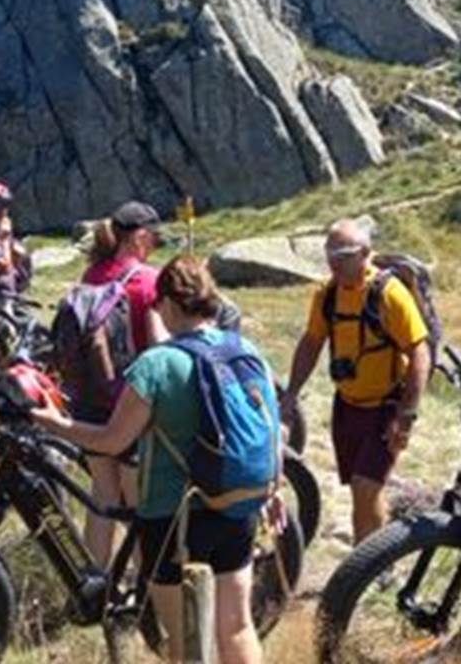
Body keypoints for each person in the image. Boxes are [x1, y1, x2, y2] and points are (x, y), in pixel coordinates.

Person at [32, 255, 278, 664]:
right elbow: (270, 427)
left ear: (165, 303)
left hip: (172, 519)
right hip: (238, 504)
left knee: (184, 642)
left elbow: (112, 441)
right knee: (236, 627)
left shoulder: (157, 365)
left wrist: (56, 424)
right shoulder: (244, 349)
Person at [280, 218, 431, 545]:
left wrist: (406, 416)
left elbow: (420, 354)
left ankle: (370, 567)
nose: (333, 261)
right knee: (359, 490)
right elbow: (311, 342)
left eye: (343, 254)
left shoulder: (389, 294)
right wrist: (291, 393)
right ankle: (375, 551)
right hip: (346, 406)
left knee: (366, 485)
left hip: (387, 406)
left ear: (364, 253)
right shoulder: (327, 294)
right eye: (329, 253)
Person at [74, 200, 169, 566]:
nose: (154, 246)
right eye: (154, 239)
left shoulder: (91, 275)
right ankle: (146, 593)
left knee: (102, 496)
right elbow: (161, 349)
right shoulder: (148, 280)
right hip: (133, 408)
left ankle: (95, 583)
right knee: (140, 506)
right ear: (140, 237)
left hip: (90, 403)